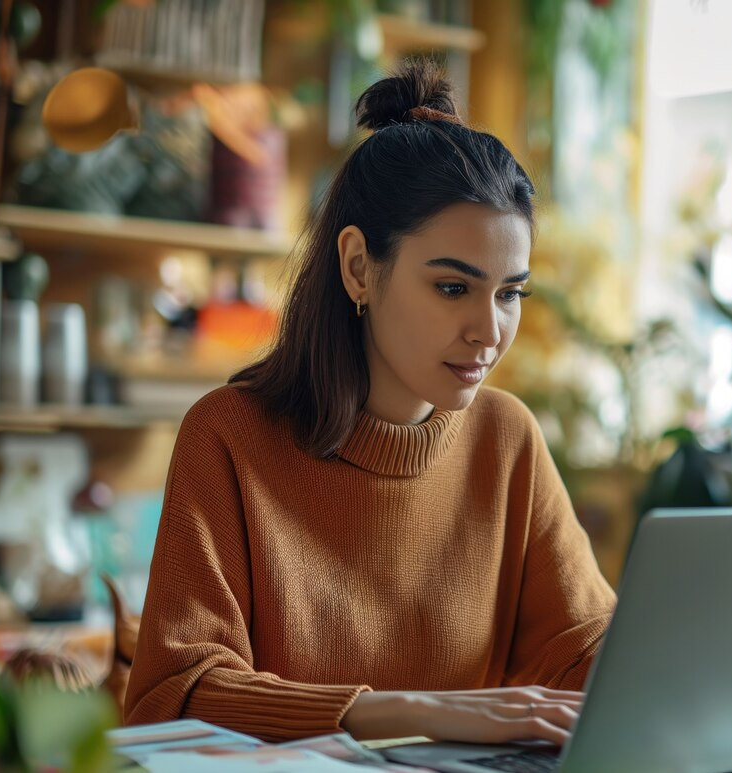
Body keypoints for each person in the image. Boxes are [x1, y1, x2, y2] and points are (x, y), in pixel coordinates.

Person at [123, 60, 618, 748]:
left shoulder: (507, 438)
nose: (489, 330)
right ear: (359, 267)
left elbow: (589, 654)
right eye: (453, 288)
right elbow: (172, 697)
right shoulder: (228, 436)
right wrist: (407, 712)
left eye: (510, 293)